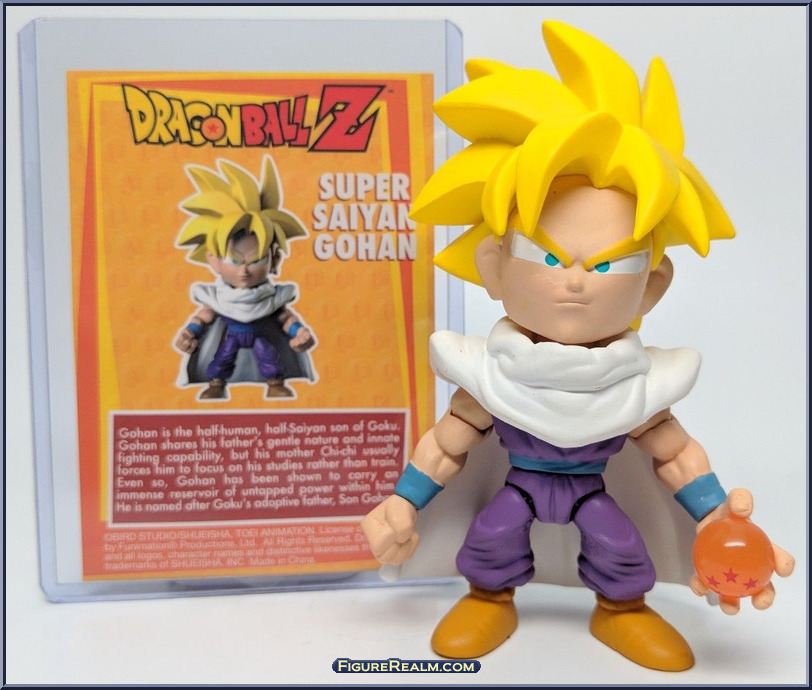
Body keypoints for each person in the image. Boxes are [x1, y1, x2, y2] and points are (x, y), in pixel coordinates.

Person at [361, 21, 794, 671]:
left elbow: (675, 454)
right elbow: (447, 445)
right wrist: (401, 502)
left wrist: (715, 522)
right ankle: (489, 595)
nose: (575, 281)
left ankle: (621, 608)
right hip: (522, 483)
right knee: (492, 537)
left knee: (619, 548)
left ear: (652, 286)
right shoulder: (491, 374)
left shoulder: (634, 383)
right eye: (546, 254)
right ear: (493, 268)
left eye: (610, 263)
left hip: (591, 488)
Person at [174, 156, 315, 400]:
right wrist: (189, 332)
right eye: (234, 261)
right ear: (214, 261)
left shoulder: (271, 297)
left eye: (256, 260)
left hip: (259, 335)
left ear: (274, 259)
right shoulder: (217, 297)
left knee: (268, 357)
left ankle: (275, 383)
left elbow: (284, 317)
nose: (244, 271)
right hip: (233, 335)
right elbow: (205, 315)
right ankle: (216, 383)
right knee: (222, 357)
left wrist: (299, 332)